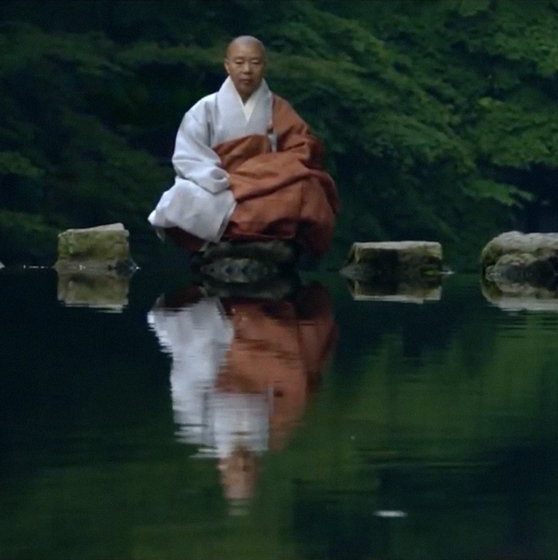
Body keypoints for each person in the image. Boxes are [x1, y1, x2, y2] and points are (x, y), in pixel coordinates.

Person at [146, 281, 338, 513]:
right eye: (247, 469)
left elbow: (186, 377)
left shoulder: (201, 429)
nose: (242, 462)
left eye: (237, 469)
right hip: (245, 343)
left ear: (222, 467)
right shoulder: (274, 433)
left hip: (227, 344)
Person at [147, 36, 340, 260]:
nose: (247, 70)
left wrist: (260, 174)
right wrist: (219, 179)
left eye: (255, 63)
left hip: (267, 185)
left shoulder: (278, 108)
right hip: (219, 186)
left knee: (309, 187)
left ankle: (240, 233)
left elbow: (302, 148)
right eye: (239, 62)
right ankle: (248, 231)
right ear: (227, 65)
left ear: (264, 66)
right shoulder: (205, 109)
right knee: (181, 196)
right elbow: (189, 156)